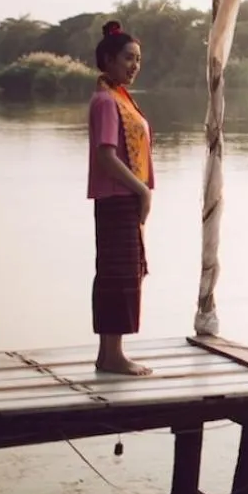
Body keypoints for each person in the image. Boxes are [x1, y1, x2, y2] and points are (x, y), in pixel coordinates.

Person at [88, 20, 155, 375]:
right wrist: (141, 189)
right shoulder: (105, 102)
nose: (134, 66)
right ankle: (112, 355)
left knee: (124, 273)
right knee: (117, 275)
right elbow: (106, 157)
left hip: (123, 197)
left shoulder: (118, 98)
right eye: (128, 58)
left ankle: (109, 355)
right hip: (117, 197)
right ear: (109, 59)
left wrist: (140, 192)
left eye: (138, 60)